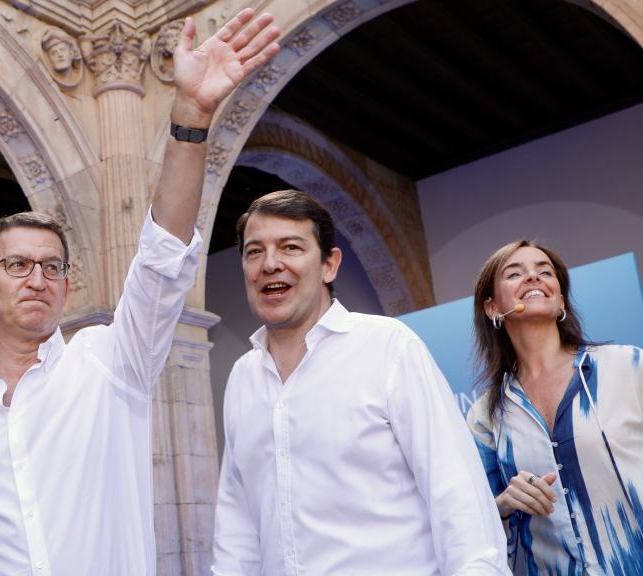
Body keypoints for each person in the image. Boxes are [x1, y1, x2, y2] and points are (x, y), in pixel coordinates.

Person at [0, 9, 281, 576]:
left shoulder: (109, 363)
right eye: (19, 264)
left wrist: (191, 117)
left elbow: (162, 257)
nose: (38, 279)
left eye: (53, 267)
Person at [212, 190, 509, 575]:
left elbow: (457, 493)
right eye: (254, 252)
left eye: (290, 247)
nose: (270, 264)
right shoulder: (242, 378)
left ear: (329, 265)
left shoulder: (387, 346)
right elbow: (237, 525)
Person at [466, 240, 643, 574]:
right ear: (491, 308)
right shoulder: (485, 416)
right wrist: (503, 505)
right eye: (515, 273)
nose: (533, 278)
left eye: (544, 271)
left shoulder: (629, 366)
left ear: (560, 297)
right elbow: (472, 525)